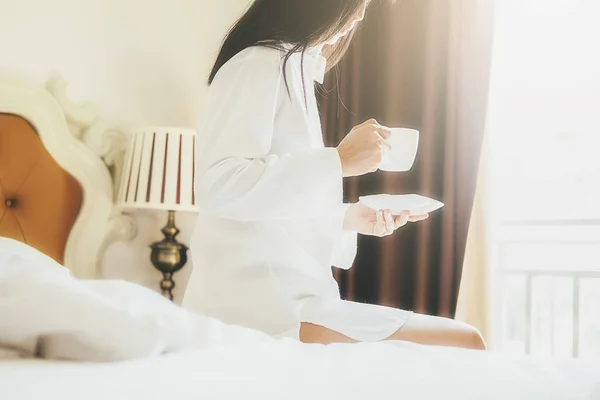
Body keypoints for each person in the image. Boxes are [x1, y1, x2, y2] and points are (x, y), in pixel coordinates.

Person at [183, 0, 485, 350]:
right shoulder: (256, 64)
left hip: (295, 298)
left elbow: (270, 211)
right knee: (465, 344)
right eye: (357, 4)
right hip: (262, 309)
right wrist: (339, 160)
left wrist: (350, 218)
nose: (359, 16)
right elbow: (219, 186)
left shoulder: (291, 70)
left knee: (465, 343)